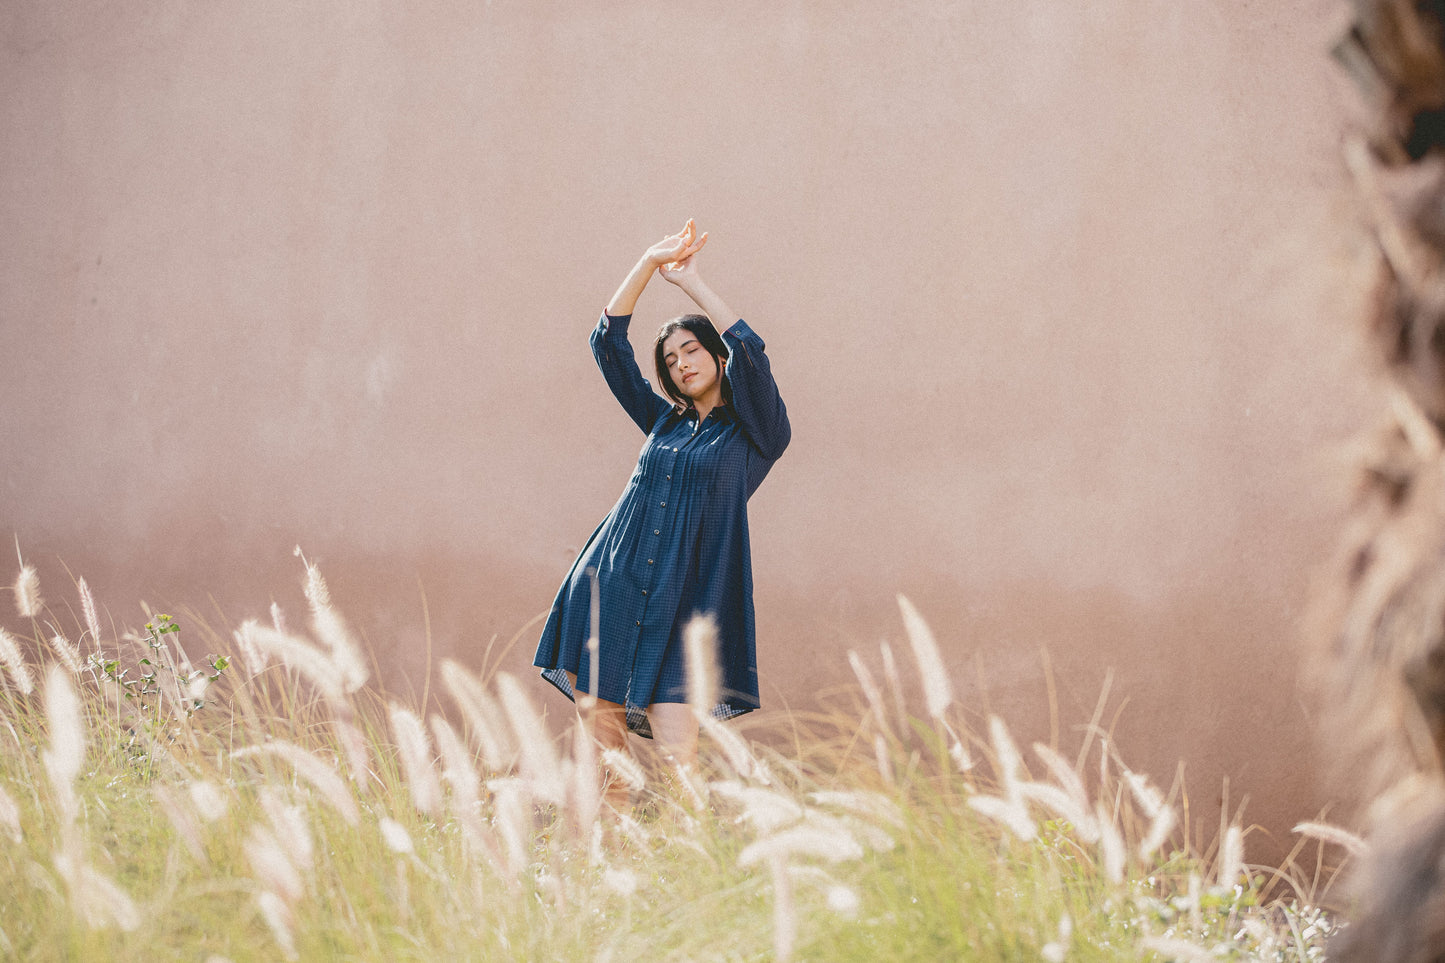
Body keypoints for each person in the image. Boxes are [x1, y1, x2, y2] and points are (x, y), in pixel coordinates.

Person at [533, 219, 790, 788]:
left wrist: (689, 283)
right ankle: (606, 867)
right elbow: (608, 344)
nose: (681, 364)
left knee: (681, 766)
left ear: (717, 357)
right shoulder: (662, 424)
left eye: (692, 350)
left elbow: (751, 349)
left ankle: (685, 871)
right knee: (608, 768)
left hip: (686, 608)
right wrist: (648, 263)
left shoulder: (757, 436)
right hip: (613, 589)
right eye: (671, 360)